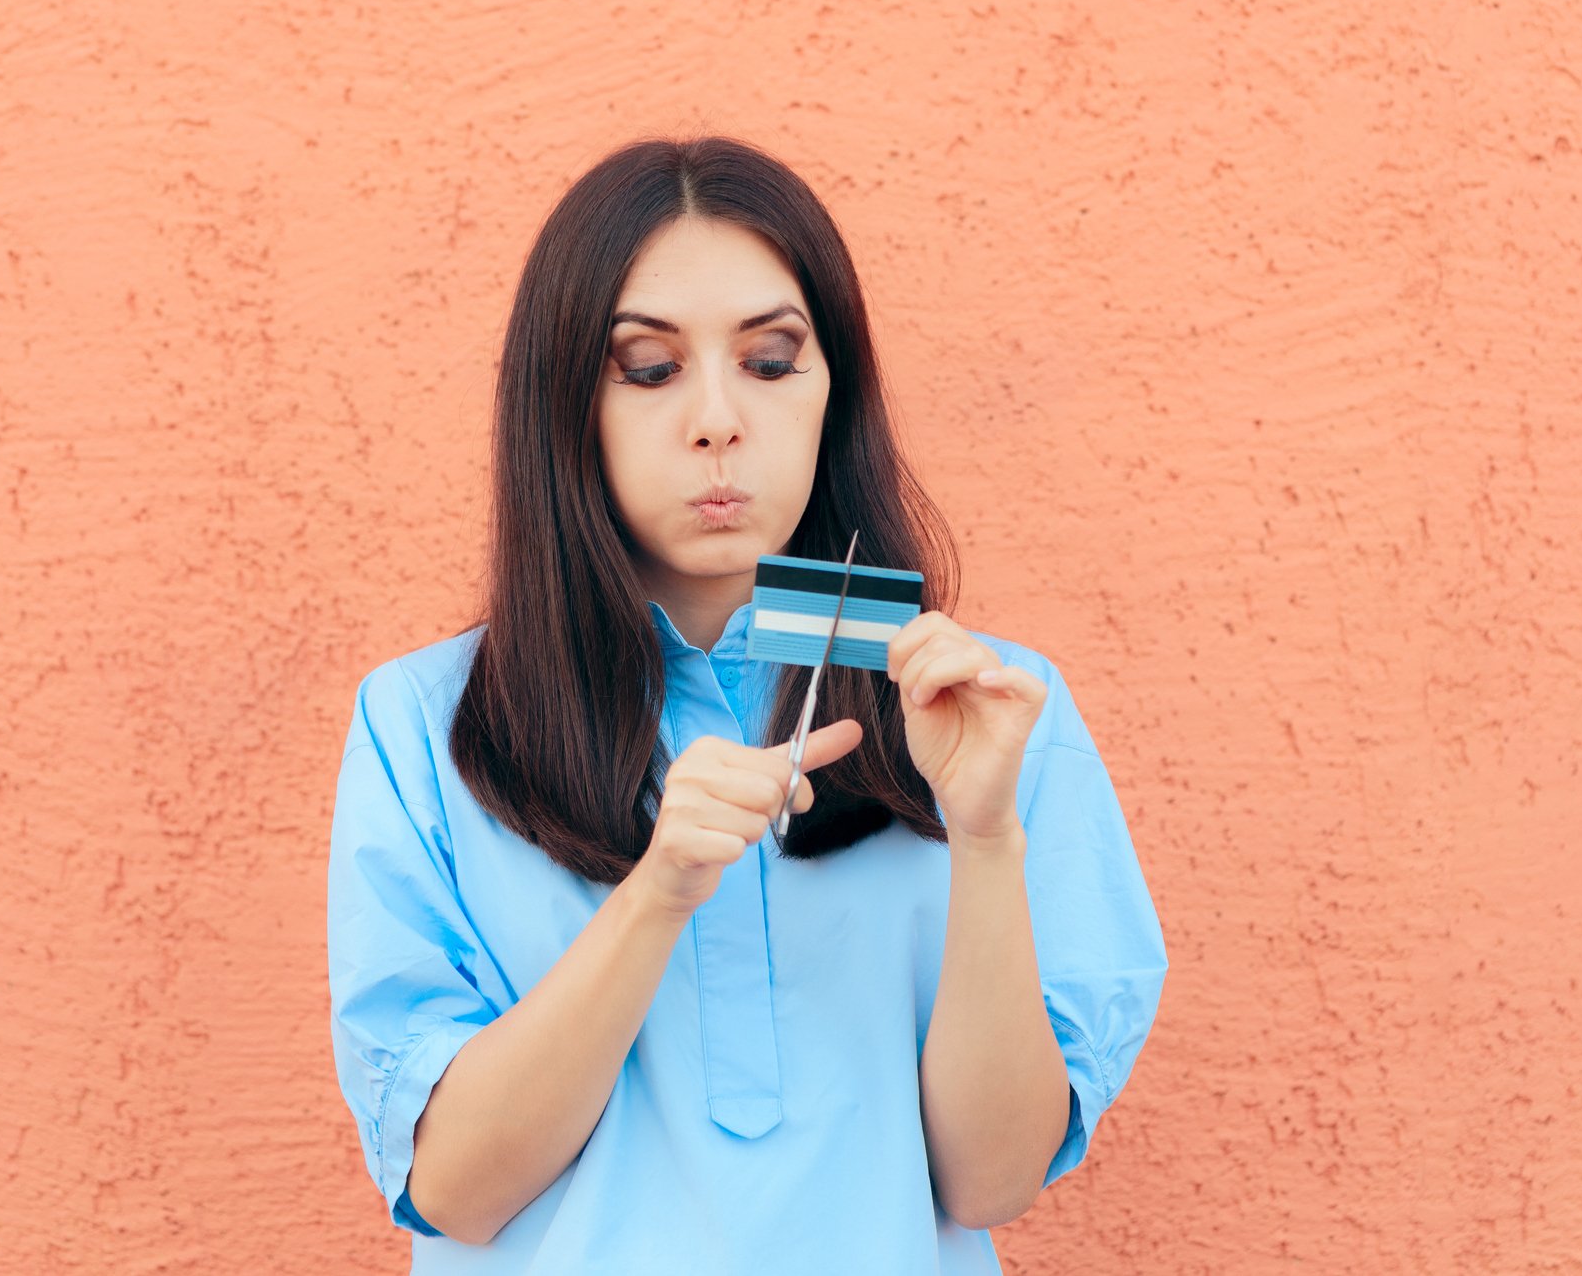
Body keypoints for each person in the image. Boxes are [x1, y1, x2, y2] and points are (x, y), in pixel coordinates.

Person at [327, 134, 1168, 1273]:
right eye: (649, 367)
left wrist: (983, 840)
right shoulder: (425, 724)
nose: (718, 419)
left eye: (771, 362)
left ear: (837, 393)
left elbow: (993, 1177)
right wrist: (659, 892)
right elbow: (456, 1190)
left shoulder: (994, 712)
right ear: (565, 403)